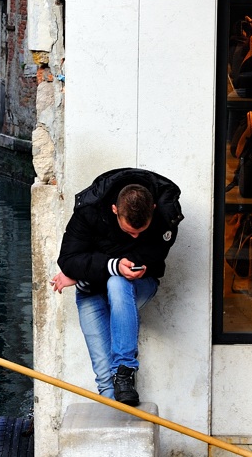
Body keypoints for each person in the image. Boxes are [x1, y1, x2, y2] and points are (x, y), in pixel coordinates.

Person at [50, 168, 184, 406]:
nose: (134, 238)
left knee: (118, 281)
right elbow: (68, 260)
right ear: (114, 210)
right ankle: (119, 430)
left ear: (153, 209)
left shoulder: (166, 211)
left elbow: (154, 254)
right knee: (104, 377)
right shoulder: (89, 207)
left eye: (140, 233)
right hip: (91, 291)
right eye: (128, 231)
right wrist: (113, 265)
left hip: (136, 285)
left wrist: (83, 271)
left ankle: (125, 368)